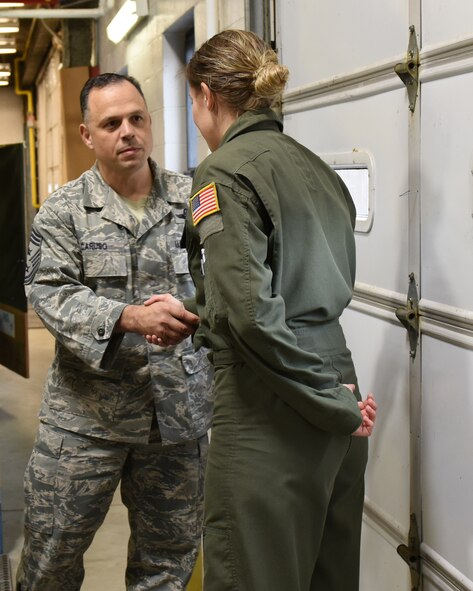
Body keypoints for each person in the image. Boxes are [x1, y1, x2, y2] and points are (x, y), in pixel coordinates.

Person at [183, 30, 377, 591]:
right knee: (329, 576)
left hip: (272, 407)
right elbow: (294, 288)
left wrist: (323, 399)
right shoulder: (316, 169)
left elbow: (251, 315)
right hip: (338, 391)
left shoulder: (222, 173)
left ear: (206, 95)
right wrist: (201, 309)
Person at [16, 73, 213, 591]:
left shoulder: (194, 200)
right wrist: (127, 317)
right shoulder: (62, 212)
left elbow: (226, 282)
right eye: (111, 123)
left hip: (175, 419)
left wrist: (196, 313)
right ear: (87, 135)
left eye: (137, 119)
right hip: (85, 420)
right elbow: (48, 293)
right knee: (49, 558)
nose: (128, 132)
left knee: (167, 565)